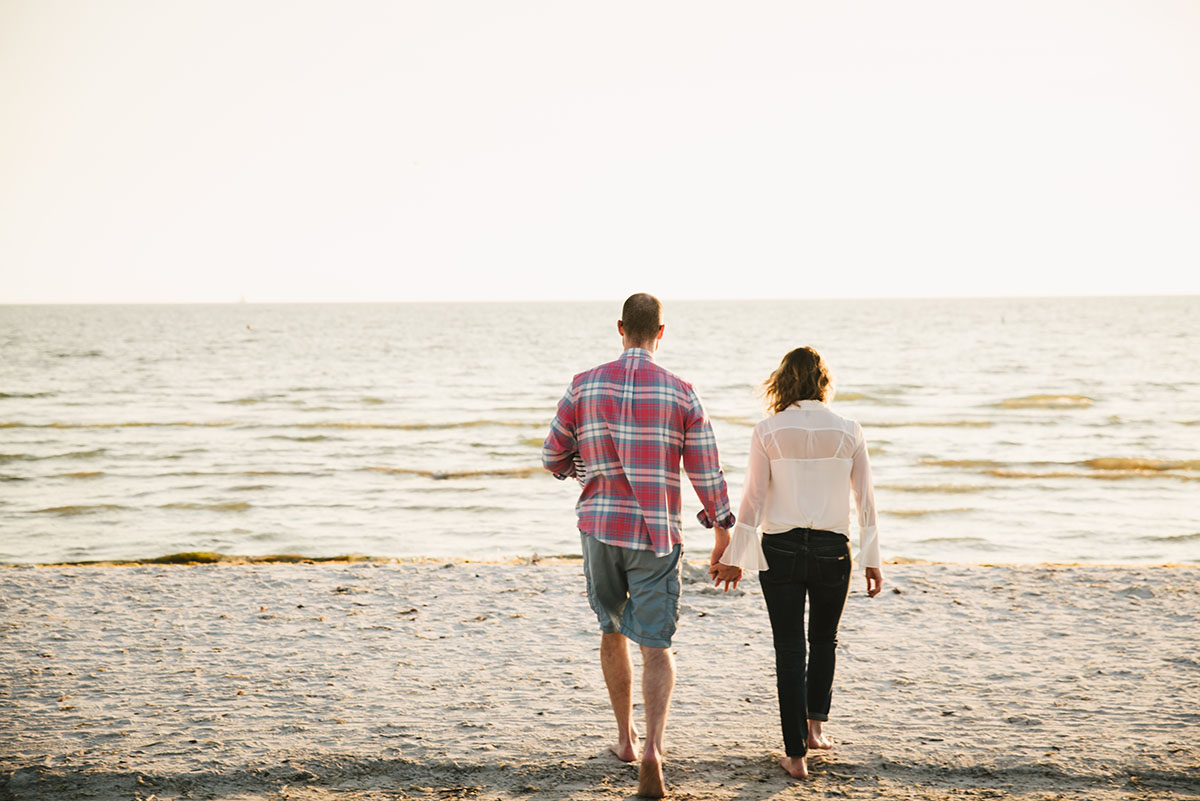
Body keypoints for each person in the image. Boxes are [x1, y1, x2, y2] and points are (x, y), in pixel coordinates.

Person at [542, 293, 740, 798]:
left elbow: (552, 453)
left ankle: (625, 741)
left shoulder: (584, 384)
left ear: (620, 328)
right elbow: (705, 468)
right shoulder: (681, 392)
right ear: (661, 331)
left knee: (611, 628)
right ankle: (654, 747)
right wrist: (722, 529)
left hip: (600, 529)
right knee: (657, 644)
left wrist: (577, 469)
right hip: (656, 535)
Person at [715, 346, 883, 780]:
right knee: (824, 639)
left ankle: (795, 756)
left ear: (782, 382)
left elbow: (752, 500)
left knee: (789, 648)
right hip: (832, 548)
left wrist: (735, 557)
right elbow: (865, 499)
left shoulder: (767, 430)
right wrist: (871, 558)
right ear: (823, 382)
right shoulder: (849, 430)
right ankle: (816, 729)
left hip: (781, 549)